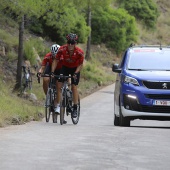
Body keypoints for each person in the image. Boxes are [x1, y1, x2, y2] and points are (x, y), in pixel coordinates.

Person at [51, 33, 84, 118]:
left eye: (72, 43)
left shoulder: (79, 52)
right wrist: (52, 72)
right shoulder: (62, 49)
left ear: (75, 43)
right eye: (69, 42)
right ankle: (60, 103)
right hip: (65, 67)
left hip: (75, 68)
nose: (70, 45)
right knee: (59, 83)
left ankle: (75, 107)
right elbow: (55, 60)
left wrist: (76, 73)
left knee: (74, 86)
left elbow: (81, 64)